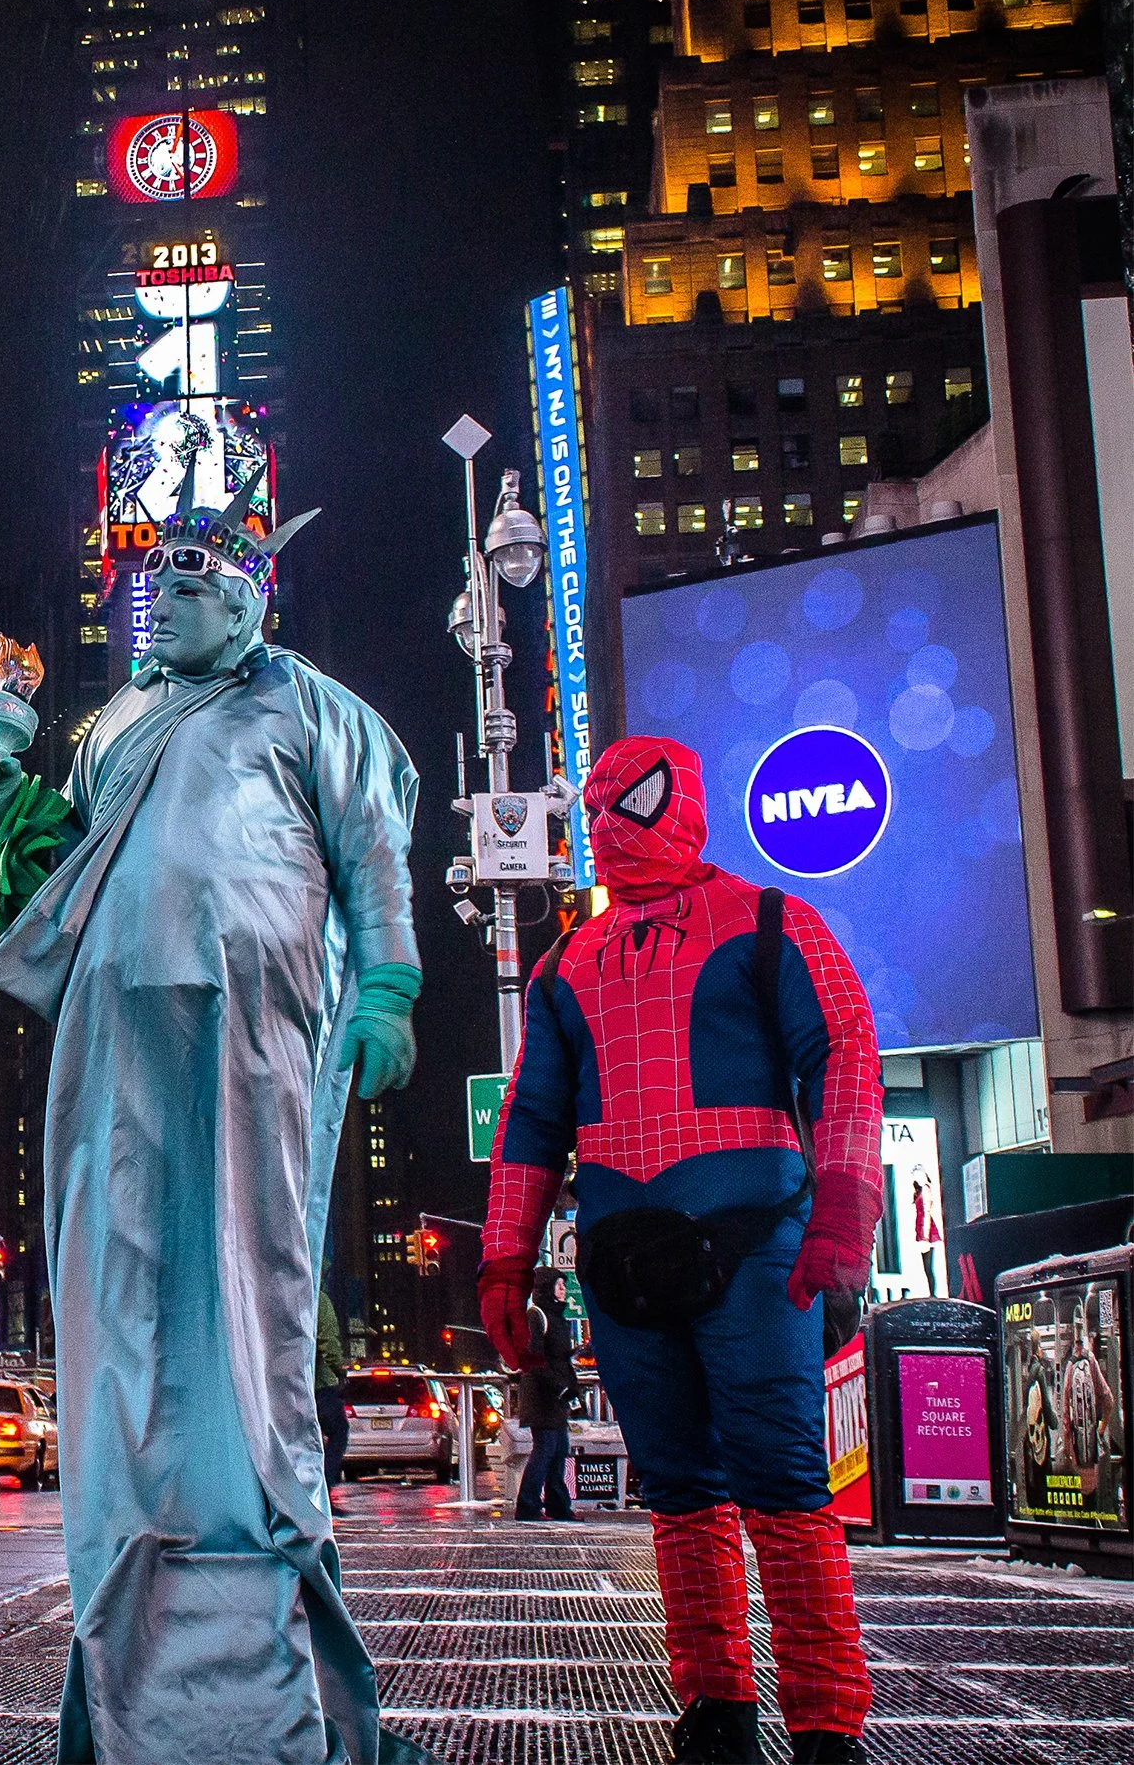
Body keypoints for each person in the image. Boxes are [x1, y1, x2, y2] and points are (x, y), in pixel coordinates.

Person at [0, 479, 426, 1765]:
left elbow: (373, 851)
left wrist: (386, 983)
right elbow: (46, 864)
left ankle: (253, 1544)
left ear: (246, 594)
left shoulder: (314, 708)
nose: (153, 609)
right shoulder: (111, 724)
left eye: (181, 589)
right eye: (146, 593)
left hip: (250, 1019)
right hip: (112, 1021)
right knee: (114, 1287)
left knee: (246, 1283)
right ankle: (135, 1567)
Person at [479, 735, 880, 1765]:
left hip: (743, 1242)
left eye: (631, 799)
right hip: (631, 1256)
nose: (610, 820)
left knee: (778, 1480)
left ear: (678, 799)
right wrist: (502, 1265)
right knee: (682, 1489)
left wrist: (842, 1214)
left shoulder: (765, 922)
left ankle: (825, 1721)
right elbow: (529, 1120)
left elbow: (840, 1059)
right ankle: (718, 1708)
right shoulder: (568, 963)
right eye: (598, 803)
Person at [513, 1269, 576, 1523]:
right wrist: (559, 1386)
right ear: (547, 1288)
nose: (563, 1291)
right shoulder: (536, 1315)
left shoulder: (558, 1318)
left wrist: (570, 1387)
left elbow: (559, 1358)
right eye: (559, 1286)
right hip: (542, 1396)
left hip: (556, 1395)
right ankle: (528, 1505)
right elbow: (535, 1358)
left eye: (563, 1286)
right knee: (545, 1449)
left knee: (559, 1449)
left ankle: (557, 1505)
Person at [316, 1285, 350, 1496]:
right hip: (319, 1384)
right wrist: (340, 1371)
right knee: (338, 1431)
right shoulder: (318, 1299)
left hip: (283, 1382)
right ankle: (324, 1486)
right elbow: (328, 1343)